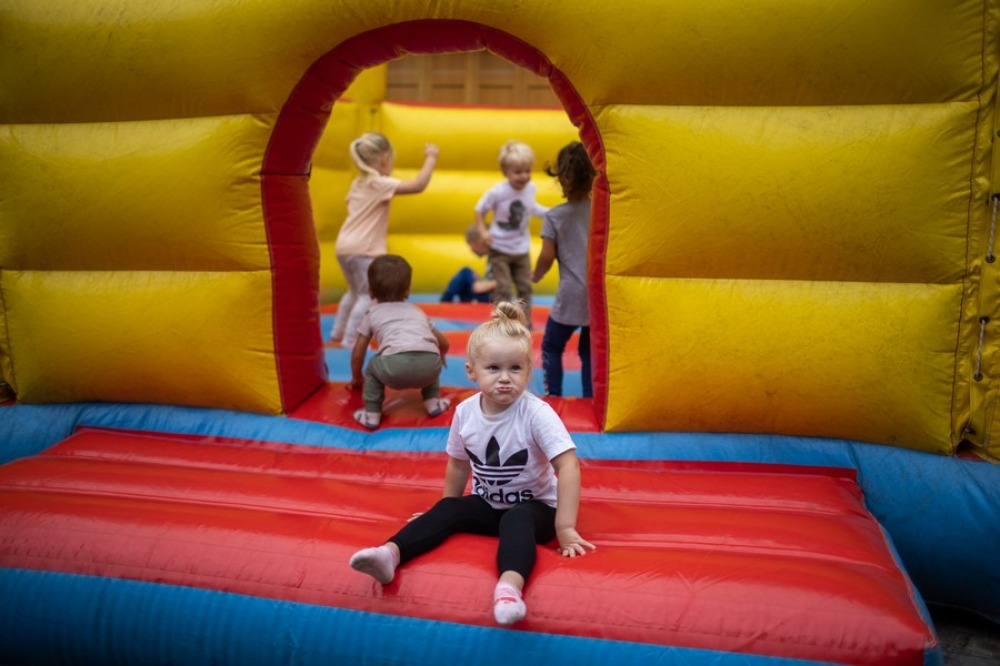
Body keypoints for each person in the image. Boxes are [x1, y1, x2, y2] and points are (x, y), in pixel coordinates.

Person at [349, 301, 595, 625]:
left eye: (515, 368)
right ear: (471, 371)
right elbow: (458, 464)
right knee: (450, 507)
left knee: (517, 518)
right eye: (493, 368)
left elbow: (568, 465)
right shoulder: (465, 412)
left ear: (528, 371)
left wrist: (565, 528)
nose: (504, 378)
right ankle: (389, 554)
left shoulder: (536, 413)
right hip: (488, 504)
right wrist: (443, 510)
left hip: (536, 510)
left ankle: (509, 589)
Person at [331, 132, 439, 348]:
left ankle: (337, 333)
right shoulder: (379, 183)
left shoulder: (358, 183)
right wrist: (431, 157)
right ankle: (350, 341)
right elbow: (418, 185)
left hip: (344, 246)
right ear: (384, 159)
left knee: (353, 292)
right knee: (366, 295)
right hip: (365, 249)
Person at [349, 254, 451, 429]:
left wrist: (357, 377)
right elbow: (443, 342)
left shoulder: (371, 314)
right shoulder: (417, 311)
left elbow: (358, 353)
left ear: (371, 291)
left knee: (373, 366)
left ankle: (372, 413)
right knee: (428, 351)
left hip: (393, 369)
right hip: (430, 369)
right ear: (408, 290)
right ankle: (432, 401)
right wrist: (440, 356)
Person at [532, 142, 596, 398]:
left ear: (560, 179)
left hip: (570, 294)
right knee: (589, 350)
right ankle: (590, 397)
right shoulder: (600, 211)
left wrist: (536, 274)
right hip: (596, 293)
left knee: (552, 345)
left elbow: (547, 255)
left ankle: (554, 396)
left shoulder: (555, 216)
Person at [474, 140, 549, 324]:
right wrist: (482, 231)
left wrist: (551, 214)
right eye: (518, 172)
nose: (524, 176)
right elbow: (480, 210)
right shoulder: (498, 192)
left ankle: (525, 324)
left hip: (521, 249)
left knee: (525, 287)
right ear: (505, 172)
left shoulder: (530, 189)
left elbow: (531, 207)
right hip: (499, 248)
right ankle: (503, 324)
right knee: (504, 289)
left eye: (528, 171)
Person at [440, 225, 497, 303]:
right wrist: (481, 281)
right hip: (486, 294)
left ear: (478, 242)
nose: (472, 250)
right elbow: (491, 278)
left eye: (471, 245)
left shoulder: (500, 257)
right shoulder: (492, 258)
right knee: (468, 276)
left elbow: (504, 281)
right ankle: (446, 301)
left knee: (465, 272)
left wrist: (483, 286)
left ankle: (444, 302)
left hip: (491, 298)